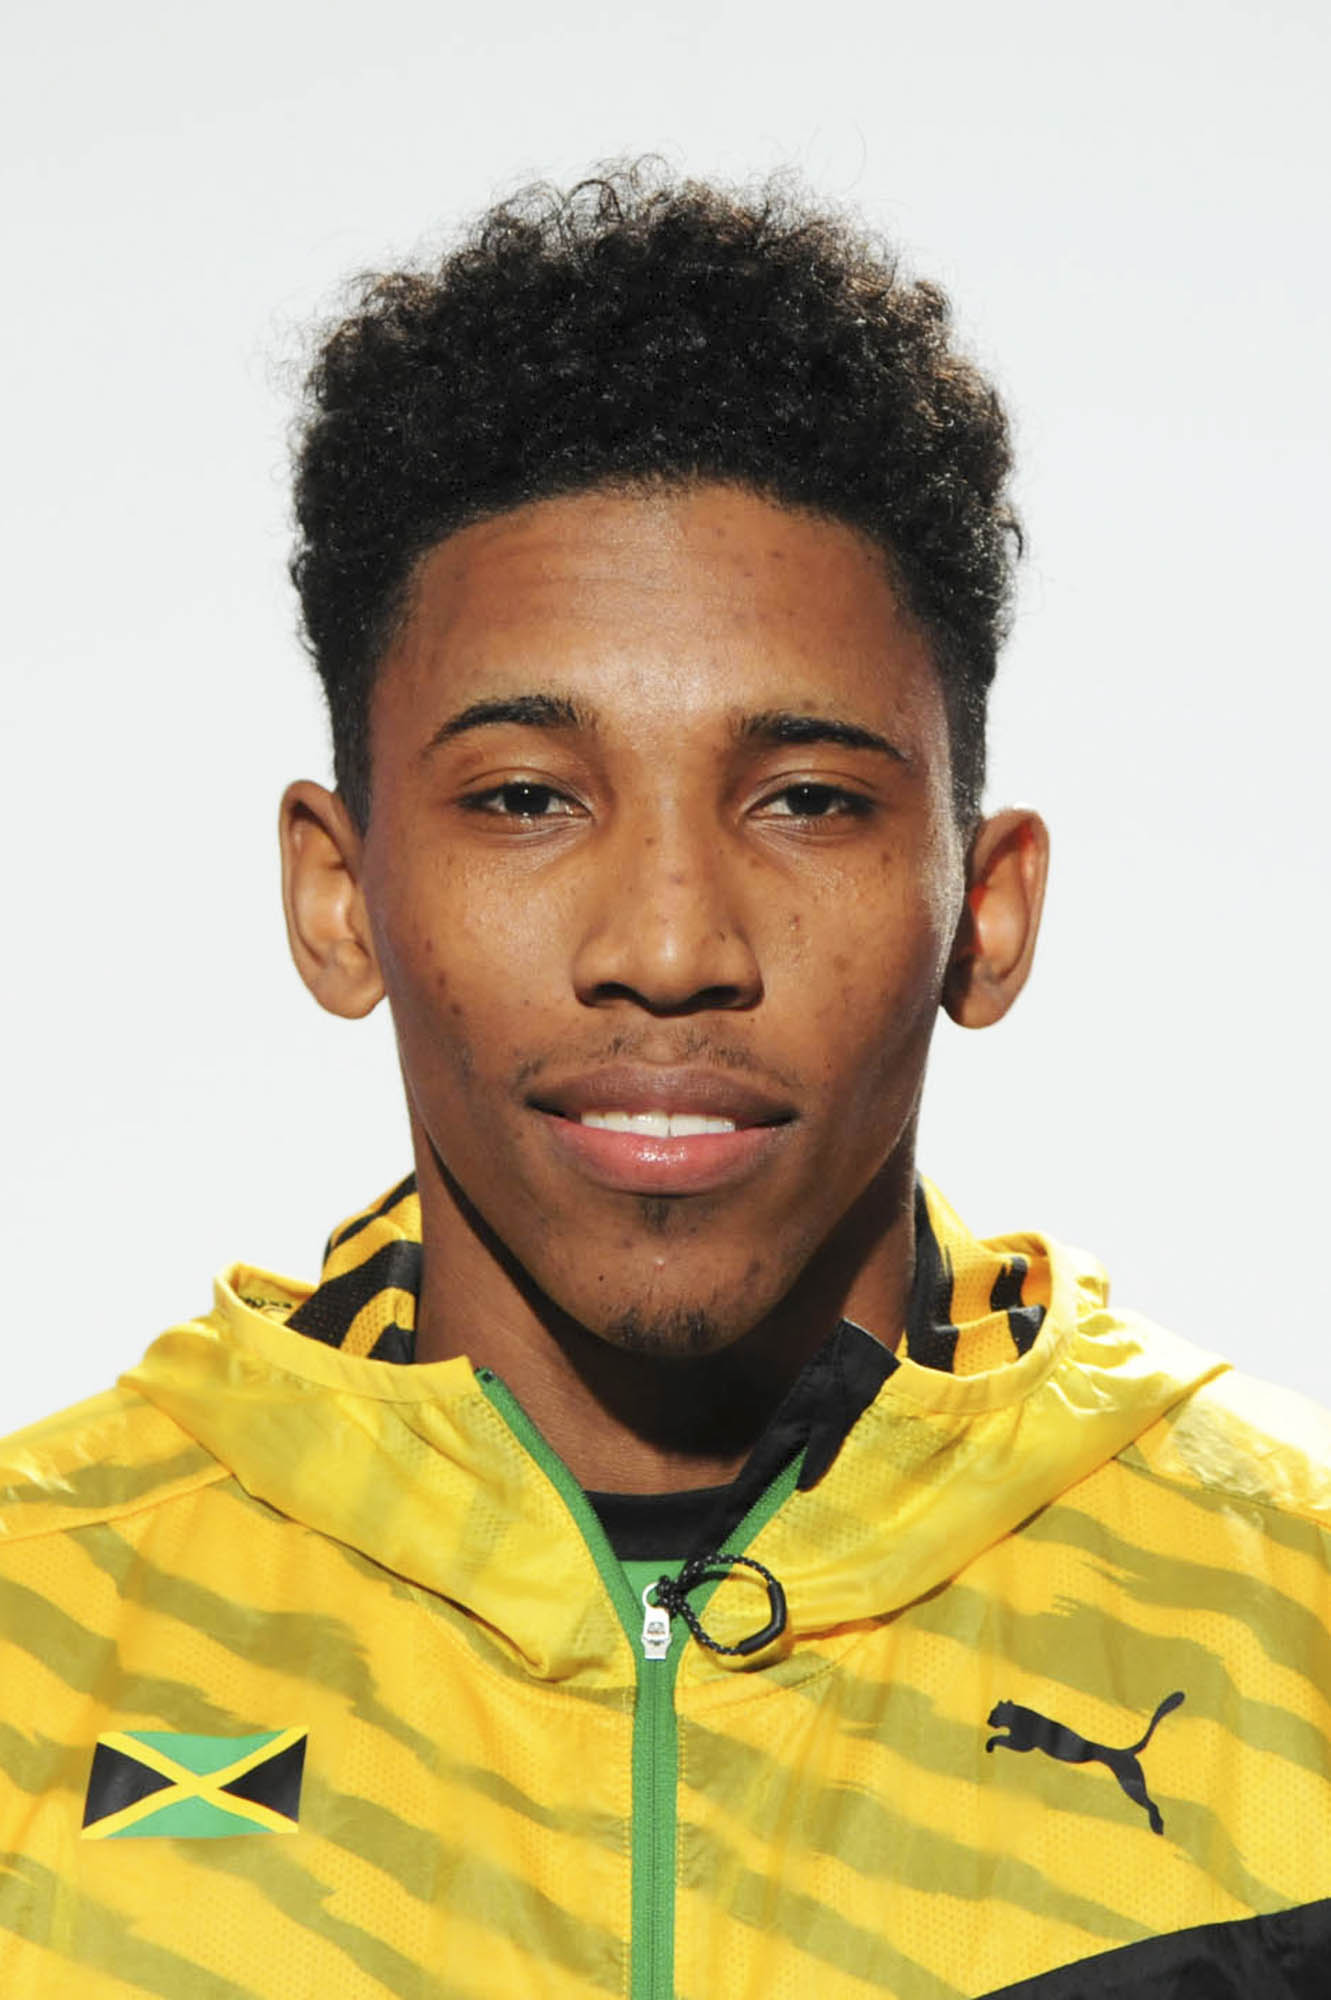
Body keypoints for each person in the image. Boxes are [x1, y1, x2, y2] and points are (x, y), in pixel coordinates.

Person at [1, 163, 1327, 2000]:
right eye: (526, 798)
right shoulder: (35, 1624)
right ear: (338, 894)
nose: (673, 940)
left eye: (809, 800)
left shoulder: (1299, 1626)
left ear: (986, 911)